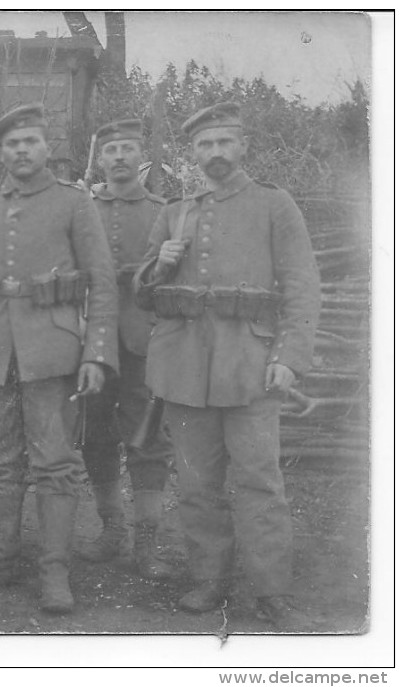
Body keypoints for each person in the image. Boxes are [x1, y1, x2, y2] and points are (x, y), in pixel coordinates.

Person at [136, 102, 320, 630]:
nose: (214, 153)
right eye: (203, 145)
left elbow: (303, 286)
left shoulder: (274, 205)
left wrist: (289, 358)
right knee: (197, 484)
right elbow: (142, 292)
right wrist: (159, 264)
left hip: (252, 366)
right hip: (185, 368)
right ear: (192, 154)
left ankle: (271, 591)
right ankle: (208, 579)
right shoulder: (175, 210)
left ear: (243, 146)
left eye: (224, 142)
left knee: (260, 482)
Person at [0, 103, 119, 613]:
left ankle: (54, 571)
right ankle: (1, 553)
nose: (21, 151)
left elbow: (101, 282)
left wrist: (96, 352)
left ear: (46, 147)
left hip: (54, 353)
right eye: (12, 144)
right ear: (0, 152)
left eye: (31, 142)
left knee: (55, 464)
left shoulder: (74, 204)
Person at [77, 118, 177, 579]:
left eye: (128, 149)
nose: (119, 157)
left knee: (147, 435)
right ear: (100, 159)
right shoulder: (82, 205)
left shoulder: (163, 210)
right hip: (91, 339)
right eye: (111, 149)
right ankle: (111, 527)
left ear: (142, 158)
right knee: (95, 432)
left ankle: (146, 541)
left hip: (143, 337)